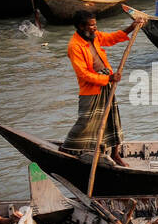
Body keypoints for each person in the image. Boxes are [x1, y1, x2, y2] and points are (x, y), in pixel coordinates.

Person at [61, 12, 145, 167]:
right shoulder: (75, 46)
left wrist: (131, 28)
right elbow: (84, 74)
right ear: (81, 27)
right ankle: (67, 148)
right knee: (85, 121)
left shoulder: (95, 36)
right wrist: (108, 78)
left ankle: (115, 154)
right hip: (92, 89)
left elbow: (112, 38)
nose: (95, 28)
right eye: (91, 25)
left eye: (95, 24)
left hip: (106, 85)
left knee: (112, 120)